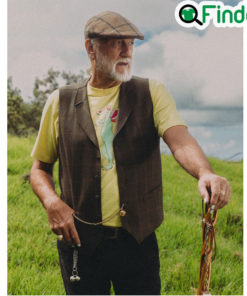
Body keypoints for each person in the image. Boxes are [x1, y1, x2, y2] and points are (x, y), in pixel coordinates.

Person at [30, 11, 231, 295]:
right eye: (117, 43)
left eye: (131, 44)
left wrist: (205, 172)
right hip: (80, 242)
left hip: (137, 242)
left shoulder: (151, 92)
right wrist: (52, 202)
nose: (126, 51)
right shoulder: (60, 101)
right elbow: (39, 168)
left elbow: (179, 140)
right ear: (90, 47)